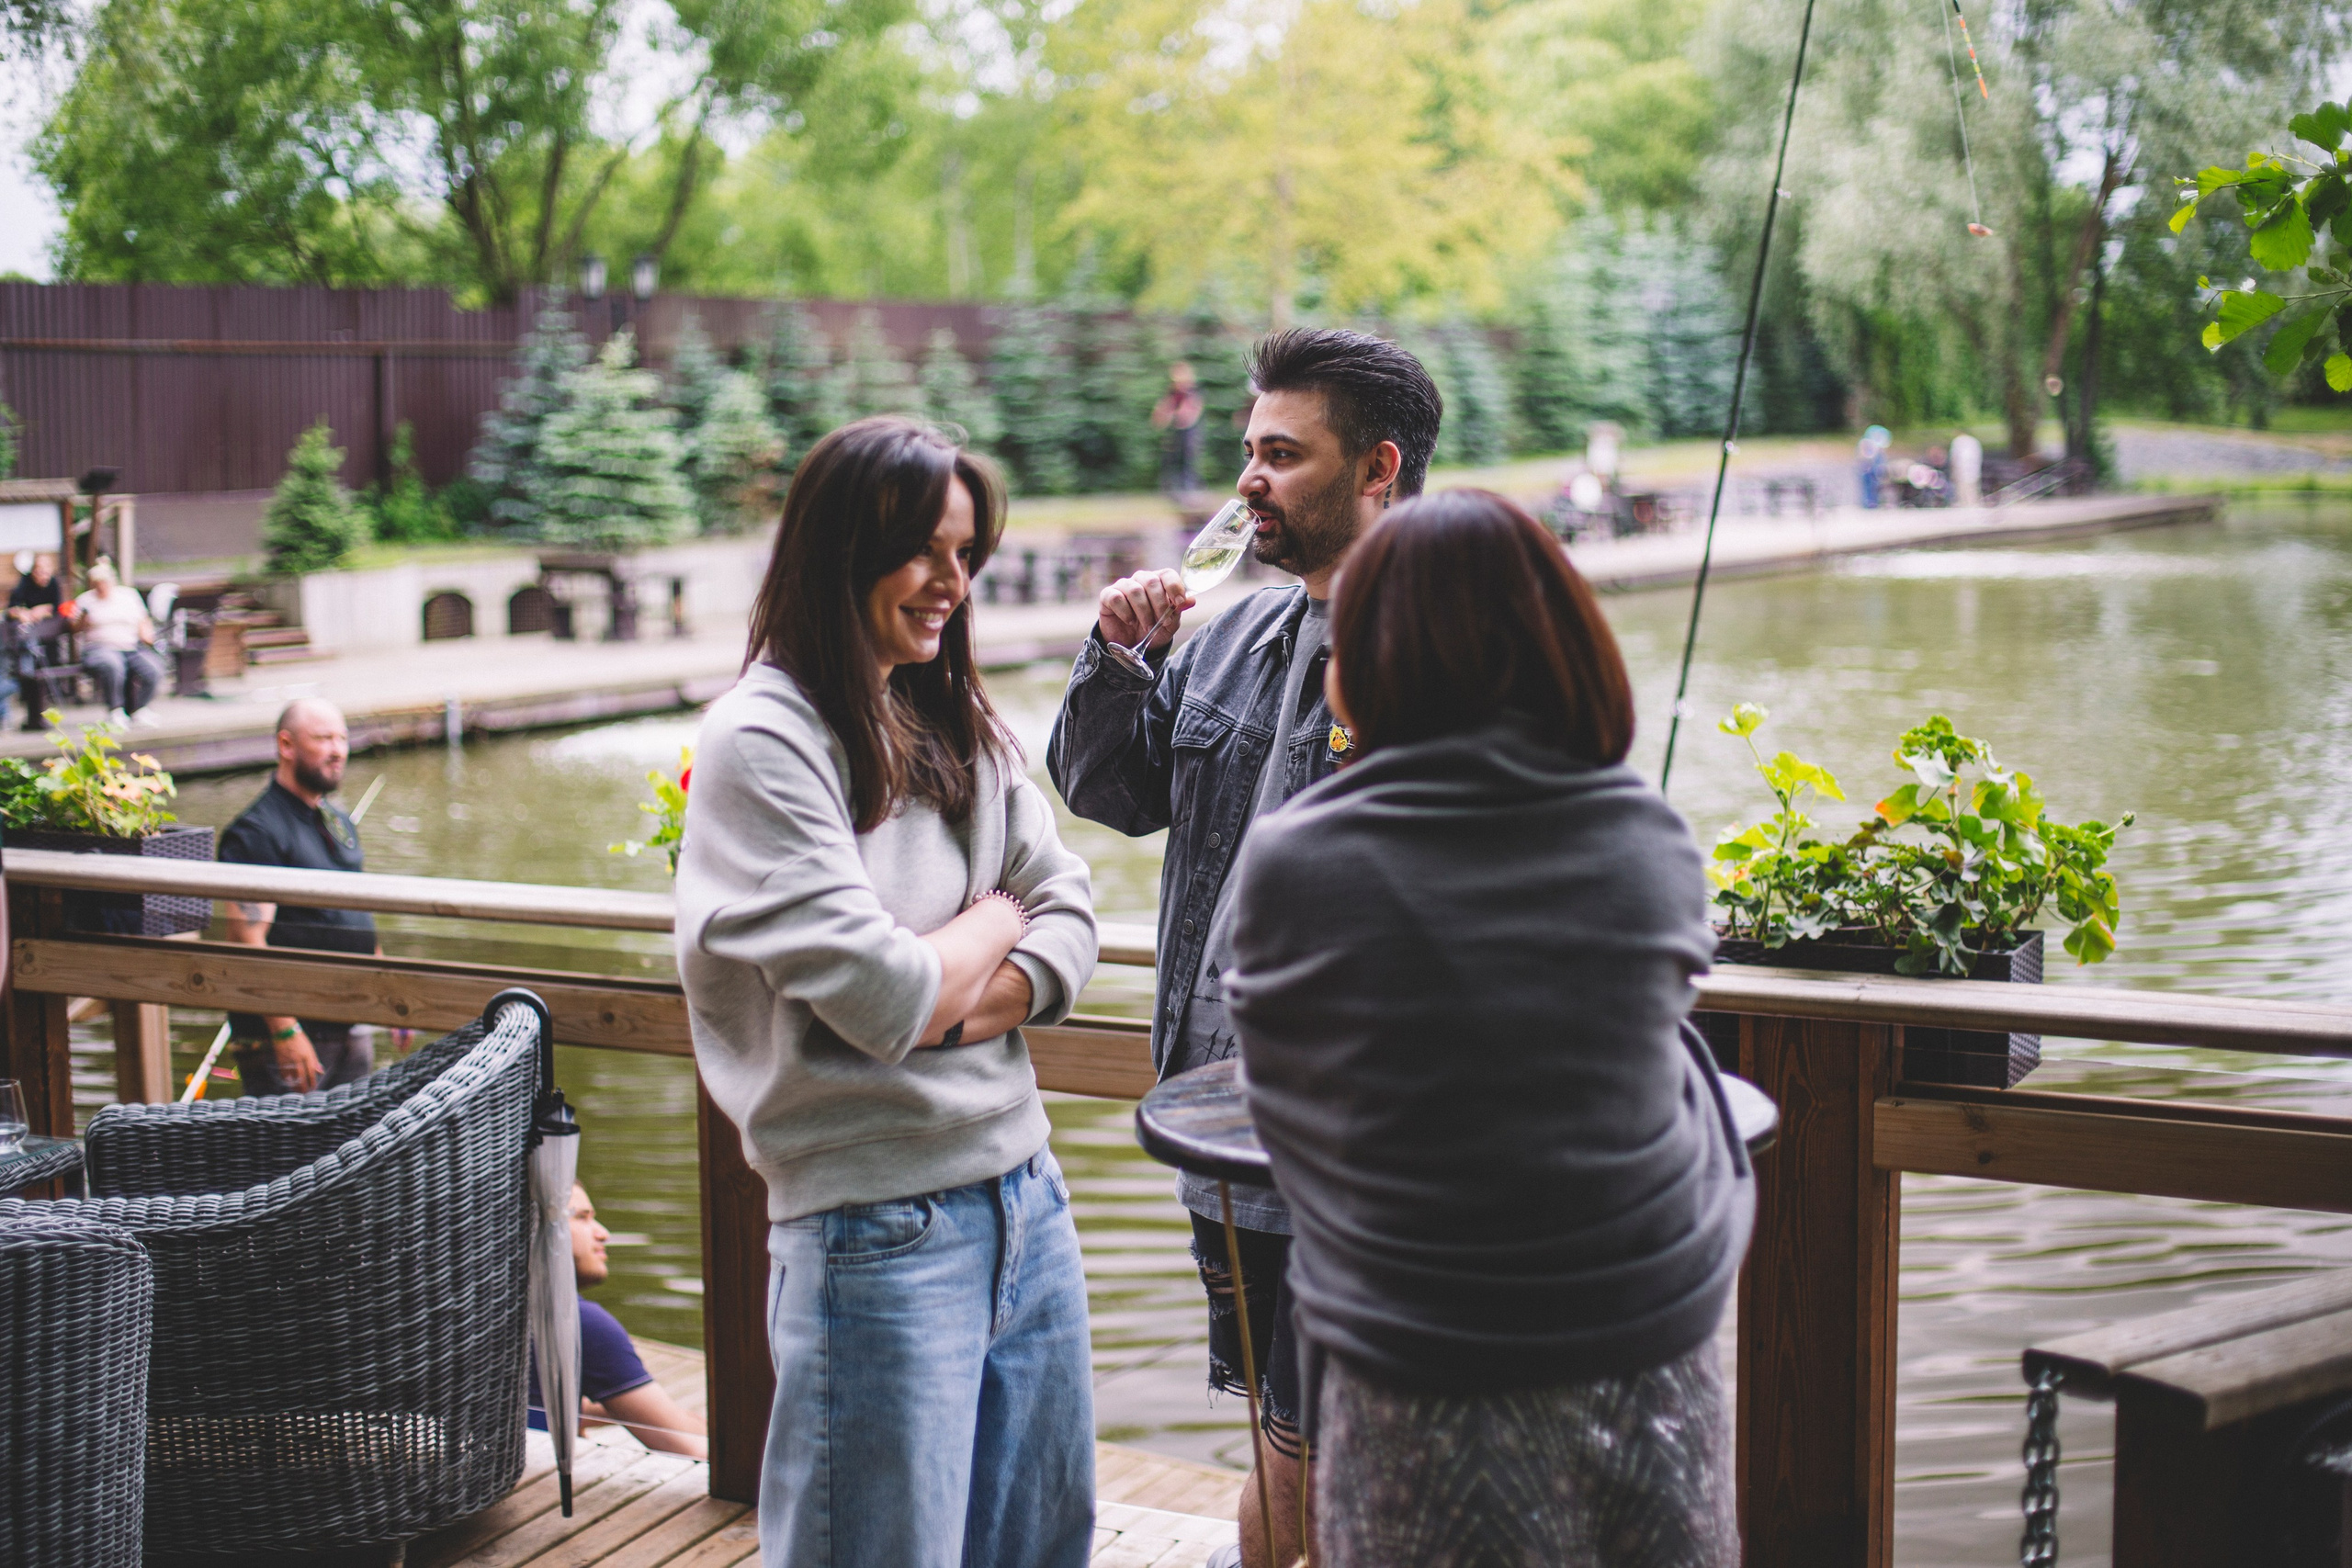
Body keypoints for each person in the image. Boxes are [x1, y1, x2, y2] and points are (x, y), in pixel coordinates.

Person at [1226, 490, 1757, 1568]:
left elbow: (1289, 1118)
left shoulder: (1297, 861)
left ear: (1365, 660)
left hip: (1418, 1362)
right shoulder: (1649, 842)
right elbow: (1648, 1070)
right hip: (1655, 1343)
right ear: (1564, 642)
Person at [1048, 326, 1443, 1568]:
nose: (1247, 481)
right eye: (1246, 452)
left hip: (1384, 1142)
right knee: (1288, 1432)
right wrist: (1117, 656)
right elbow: (1103, 788)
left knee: (1369, 1441)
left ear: (1377, 466)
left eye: (1282, 454)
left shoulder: (1451, 650)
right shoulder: (1221, 632)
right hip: (1223, 1127)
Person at [675, 415, 1100, 1568]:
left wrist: (952, 981)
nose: (952, 584)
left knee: (1040, 1548)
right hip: (877, 1228)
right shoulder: (765, 743)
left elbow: (1070, 914)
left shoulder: (946, 709)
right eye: (926, 551)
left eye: (967, 555)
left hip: (1027, 1194)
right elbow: (881, 996)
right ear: (841, 549)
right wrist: (983, 930)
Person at [221, 699, 401, 1093]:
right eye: (323, 739)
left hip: (351, 1023)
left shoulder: (339, 822)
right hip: (292, 1036)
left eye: (342, 738)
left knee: (354, 1151)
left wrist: (391, 997)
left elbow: (357, 921)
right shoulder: (256, 833)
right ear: (286, 746)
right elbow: (247, 942)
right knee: (289, 1154)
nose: (338, 750)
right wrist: (285, 1032)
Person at [528, 1182, 709, 1458]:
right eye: (582, 1217)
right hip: (529, 1481)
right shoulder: (578, 1322)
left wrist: (616, 1411)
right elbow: (686, 1448)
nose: (604, 1234)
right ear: (537, 1227)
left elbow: (530, 1403)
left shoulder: (491, 1305)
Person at [74, 558, 164, 725]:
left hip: (131, 646)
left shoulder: (128, 595)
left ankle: (140, 708)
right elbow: (74, 628)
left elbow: (143, 619)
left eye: (104, 582)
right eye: (97, 583)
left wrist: (147, 634)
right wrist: (83, 619)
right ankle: (115, 710)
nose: (101, 587)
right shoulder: (86, 600)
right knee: (113, 665)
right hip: (100, 647)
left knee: (154, 668)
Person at [1153, 362, 1206, 496]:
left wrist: (1183, 417)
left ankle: (1189, 488)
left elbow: (1193, 409)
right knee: (1171, 459)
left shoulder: (1191, 392)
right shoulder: (1174, 392)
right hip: (1176, 429)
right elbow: (1166, 406)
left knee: (1187, 459)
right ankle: (1171, 488)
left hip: (1189, 429)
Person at [8, 553, 60, 622]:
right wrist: (21, 613)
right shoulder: (25, 582)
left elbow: (58, 607)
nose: (45, 577)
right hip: (27, 622)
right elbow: (12, 608)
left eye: (47, 573)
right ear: (33, 572)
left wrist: (44, 610)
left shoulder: (53, 583)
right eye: (41, 572)